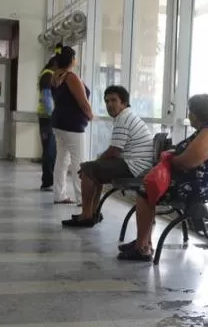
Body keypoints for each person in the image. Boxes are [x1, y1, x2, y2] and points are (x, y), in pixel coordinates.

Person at [119, 94, 208, 262]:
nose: (189, 115)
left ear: (194, 114)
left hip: (202, 184)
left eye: (190, 111)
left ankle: (142, 247)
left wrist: (170, 160)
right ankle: (143, 242)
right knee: (147, 185)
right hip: (198, 180)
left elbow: (189, 161)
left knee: (145, 189)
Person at [63, 85, 154, 228]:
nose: (109, 105)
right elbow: (115, 152)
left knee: (88, 169)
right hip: (137, 164)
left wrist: (93, 163)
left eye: (113, 100)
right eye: (106, 101)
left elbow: (114, 151)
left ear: (123, 103)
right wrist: (95, 164)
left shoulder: (124, 119)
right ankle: (93, 213)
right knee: (93, 170)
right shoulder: (126, 116)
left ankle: (86, 216)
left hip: (134, 166)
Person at [51, 46, 93, 204]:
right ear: (72, 60)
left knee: (61, 160)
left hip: (59, 123)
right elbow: (83, 102)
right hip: (73, 125)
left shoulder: (55, 76)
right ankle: (82, 198)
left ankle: (59, 194)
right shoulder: (71, 77)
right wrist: (90, 115)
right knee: (78, 162)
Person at [37, 57, 56, 191]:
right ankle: (47, 181)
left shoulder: (46, 73)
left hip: (45, 117)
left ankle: (48, 181)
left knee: (50, 149)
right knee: (49, 150)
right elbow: (47, 98)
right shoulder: (49, 74)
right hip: (48, 118)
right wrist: (54, 116)